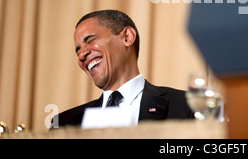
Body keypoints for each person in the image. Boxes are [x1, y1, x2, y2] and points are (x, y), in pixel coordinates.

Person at [52, 9, 193, 128]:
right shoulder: (64, 123)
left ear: (127, 37)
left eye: (90, 40)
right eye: (78, 51)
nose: (82, 55)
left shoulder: (187, 106)